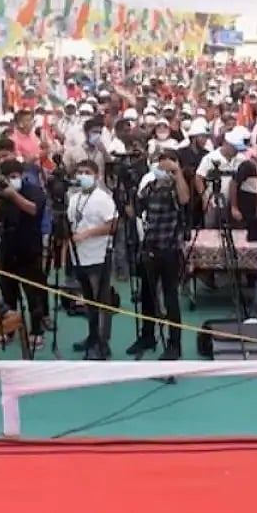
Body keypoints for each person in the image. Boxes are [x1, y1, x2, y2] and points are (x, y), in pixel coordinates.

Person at [130, 151, 190, 360]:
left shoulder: (174, 188)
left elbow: (184, 198)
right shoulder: (149, 187)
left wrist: (177, 173)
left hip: (169, 249)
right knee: (147, 295)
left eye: (166, 165)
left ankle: (175, 344)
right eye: (159, 164)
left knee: (170, 297)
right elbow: (136, 210)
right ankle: (147, 336)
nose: (161, 169)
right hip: (149, 246)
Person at [0, 158, 49, 348]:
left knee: (33, 294)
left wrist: (13, 195)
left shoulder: (34, 191)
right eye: (7, 177)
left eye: (14, 177)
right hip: (8, 248)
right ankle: (10, 330)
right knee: (8, 294)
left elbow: (33, 210)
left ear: (22, 176)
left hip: (29, 249)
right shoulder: (1, 193)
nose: (10, 180)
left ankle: (36, 331)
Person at [68, 160, 118, 360]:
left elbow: (113, 225)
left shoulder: (103, 198)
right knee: (88, 301)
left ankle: (102, 344)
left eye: (87, 172)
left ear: (96, 175)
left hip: (98, 255)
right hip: (79, 256)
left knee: (101, 301)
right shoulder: (74, 198)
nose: (82, 176)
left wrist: (89, 233)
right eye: (79, 172)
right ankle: (92, 336)